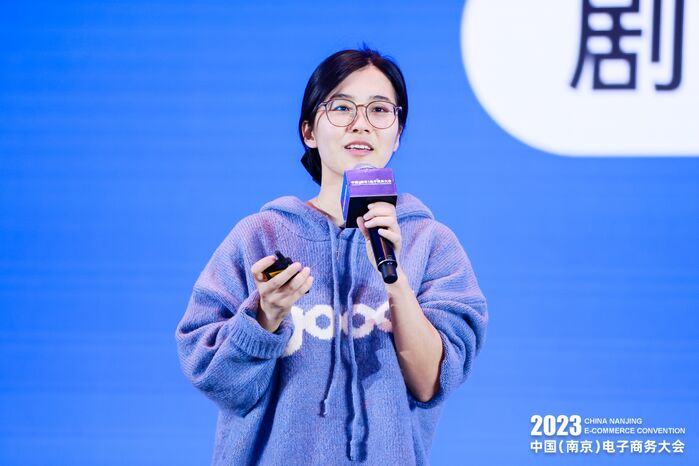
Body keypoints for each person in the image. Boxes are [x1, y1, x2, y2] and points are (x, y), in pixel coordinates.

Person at [175, 47, 488, 465]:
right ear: (308, 131)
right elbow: (219, 382)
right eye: (341, 107)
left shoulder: (431, 244)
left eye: (380, 110)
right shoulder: (259, 236)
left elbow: (430, 383)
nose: (361, 123)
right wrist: (265, 317)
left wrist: (395, 280)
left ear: (398, 134)